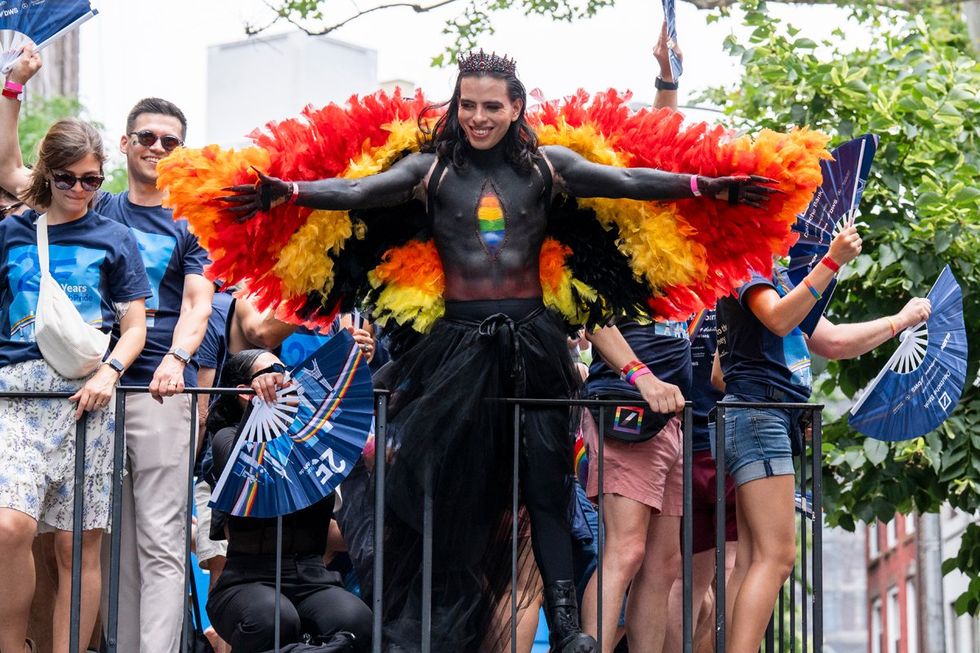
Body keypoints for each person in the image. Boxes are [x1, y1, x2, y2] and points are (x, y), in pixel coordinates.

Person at [226, 49, 778, 652]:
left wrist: (707, 187)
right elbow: (359, 191)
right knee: (445, 495)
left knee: (545, 492)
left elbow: (625, 182)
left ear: (517, 107)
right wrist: (289, 192)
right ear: (455, 106)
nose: (479, 117)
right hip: (452, 354)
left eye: (492, 106)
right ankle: (430, 630)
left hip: (533, 350)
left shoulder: (547, 167)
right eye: (468, 105)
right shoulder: (428, 171)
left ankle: (568, 633)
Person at [0, 48, 215, 653]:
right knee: (58, 535)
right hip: (48, 392)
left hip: (140, 389)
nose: (158, 147)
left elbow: (195, 305)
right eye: (147, 136)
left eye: (171, 141)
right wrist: (14, 87)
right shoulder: (75, 210)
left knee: (150, 538)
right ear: (124, 144)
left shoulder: (183, 222)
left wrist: (173, 363)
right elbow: (12, 166)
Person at [711, 226, 932, 653]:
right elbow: (777, 319)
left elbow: (829, 341)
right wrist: (832, 261)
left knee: (755, 557)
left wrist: (899, 321)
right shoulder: (747, 261)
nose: (794, 227)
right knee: (776, 557)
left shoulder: (771, 276)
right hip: (759, 416)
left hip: (758, 415)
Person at [0, 118, 150, 653]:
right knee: (9, 528)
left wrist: (110, 374)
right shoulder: (12, 231)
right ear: (48, 174)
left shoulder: (115, 237)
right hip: (16, 393)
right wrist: (12, 90)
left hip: (89, 397)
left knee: (78, 547)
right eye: (68, 179)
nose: (81, 190)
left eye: (91, 180)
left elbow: (135, 326)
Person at [203, 349, 372, 653]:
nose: (284, 379)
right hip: (247, 580)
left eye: (286, 371)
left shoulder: (315, 440)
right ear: (245, 393)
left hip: (312, 576)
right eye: (273, 373)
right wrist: (266, 412)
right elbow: (243, 469)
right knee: (275, 617)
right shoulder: (227, 437)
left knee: (357, 620)